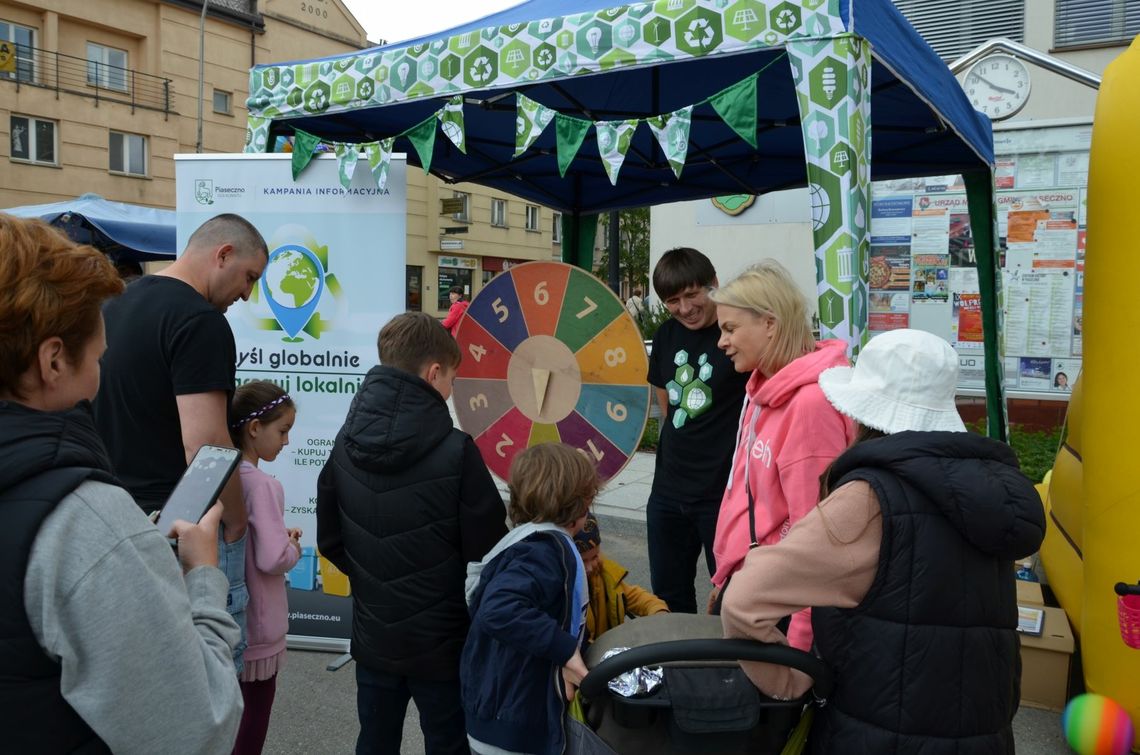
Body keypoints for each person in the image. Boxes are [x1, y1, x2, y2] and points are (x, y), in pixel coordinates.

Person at [721, 329, 1045, 753]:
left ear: (862, 415)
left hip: (877, 735)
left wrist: (793, 683)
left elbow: (745, 601)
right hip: (983, 733)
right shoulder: (983, 492)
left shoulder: (868, 500)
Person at [0, 214, 242, 751]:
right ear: (54, 360)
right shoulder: (83, 526)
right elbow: (198, 728)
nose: (101, 376)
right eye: (98, 357)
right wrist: (202, 580)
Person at [316, 312, 506, 755]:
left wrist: (373, 577)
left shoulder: (345, 442)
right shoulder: (458, 451)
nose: (451, 392)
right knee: (449, 743)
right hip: (443, 641)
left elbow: (329, 539)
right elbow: (487, 551)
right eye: (453, 381)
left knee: (375, 741)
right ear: (434, 372)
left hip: (373, 635)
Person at [93, 213, 268, 674]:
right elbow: (206, 446)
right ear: (222, 254)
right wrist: (235, 518)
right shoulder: (200, 321)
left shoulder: (113, 304)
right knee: (208, 673)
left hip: (114, 519)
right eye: (249, 277)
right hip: (181, 530)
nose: (248, 293)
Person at [707, 260, 854, 652]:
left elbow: (816, 532)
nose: (721, 341)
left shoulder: (810, 405)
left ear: (769, 324)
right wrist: (724, 578)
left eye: (730, 328)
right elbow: (744, 491)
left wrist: (802, 635)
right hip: (751, 582)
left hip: (780, 603)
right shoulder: (762, 389)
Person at [461, 443, 594, 755]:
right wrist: (565, 650)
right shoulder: (543, 553)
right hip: (514, 724)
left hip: (500, 712)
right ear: (579, 503)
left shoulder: (527, 541)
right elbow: (500, 609)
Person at [645, 247, 749, 613]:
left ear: (714, 284)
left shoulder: (737, 333)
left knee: (731, 599)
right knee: (668, 596)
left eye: (692, 294)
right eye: (673, 300)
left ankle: (726, 671)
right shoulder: (665, 336)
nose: (685, 308)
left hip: (723, 493)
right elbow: (667, 407)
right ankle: (680, 669)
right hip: (668, 491)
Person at [229, 381, 302, 754]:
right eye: (283, 431)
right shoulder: (263, 485)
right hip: (260, 624)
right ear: (254, 428)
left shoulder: (226, 476)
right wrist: (292, 547)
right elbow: (273, 558)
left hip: (230, 616)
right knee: (253, 719)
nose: (286, 442)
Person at [573, 513, 668, 644]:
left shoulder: (604, 572)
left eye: (595, 557)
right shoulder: (566, 589)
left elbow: (632, 595)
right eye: (583, 561)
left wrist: (658, 611)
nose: (590, 567)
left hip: (605, 651)